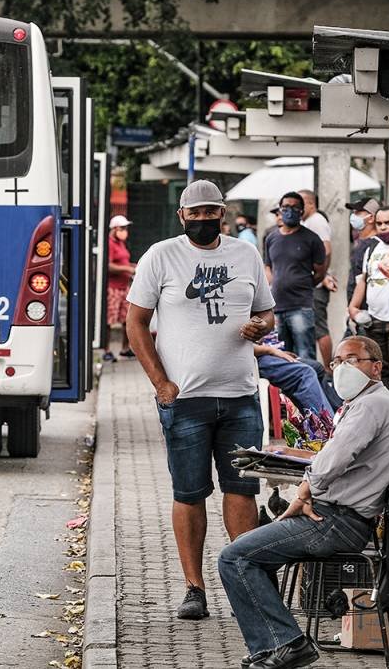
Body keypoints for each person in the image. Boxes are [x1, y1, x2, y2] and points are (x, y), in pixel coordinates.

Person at [126, 179, 276, 620]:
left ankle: (247, 585)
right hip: (185, 398)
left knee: (242, 490)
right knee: (189, 493)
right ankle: (194, 588)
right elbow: (136, 324)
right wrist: (161, 383)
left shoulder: (245, 253)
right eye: (196, 213)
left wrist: (262, 325)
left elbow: (267, 310)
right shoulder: (161, 256)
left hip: (240, 396)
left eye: (212, 212)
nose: (204, 220)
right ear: (182, 216)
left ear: (223, 214)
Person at [219, 336, 389, 669]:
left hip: (337, 521)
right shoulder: (364, 403)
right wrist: (307, 485)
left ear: (376, 367)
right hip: (334, 514)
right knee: (253, 555)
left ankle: (288, 643)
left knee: (234, 558)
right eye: (336, 361)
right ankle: (271, 646)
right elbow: (330, 463)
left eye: (352, 360)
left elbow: (330, 463)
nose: (342, 368)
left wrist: (307, 488)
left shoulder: (371, 405)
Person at [347, 205, 389, 411]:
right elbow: (364, 281)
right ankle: (387, 409)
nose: (384, 227)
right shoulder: (371, 248)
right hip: (373, 318)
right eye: (380, 223)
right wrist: (353, 307)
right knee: (379, 368)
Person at [263, 192, 328, 359]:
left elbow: (320, 271)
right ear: (280, 209)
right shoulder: (271, 238)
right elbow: (268, 268)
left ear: (301, 211)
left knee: (305, 354)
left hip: (301, 306)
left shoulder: (311, 239)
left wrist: (303, 285)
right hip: (276, 307)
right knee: (281, 355)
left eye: (294, 207)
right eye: (285, 207)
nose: (289, 211)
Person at [298, 189, 338, 371]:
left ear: (311, 204)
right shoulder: (306, 222)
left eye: (300, 204)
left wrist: (319, 277)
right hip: (309, 285)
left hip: (316, 285)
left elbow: (326, 250)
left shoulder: (317, 222)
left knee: (319, 327)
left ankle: (328, 368)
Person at [254, 340, 334, 416]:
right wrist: (271, 350)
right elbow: (244, 348)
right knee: (305, 373)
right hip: (254, 360)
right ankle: (328, 424)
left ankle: (335, 418)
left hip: (259, 352)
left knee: (317, 368)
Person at [104, 215, 137, 361]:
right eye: (122, 228)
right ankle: (106, 350)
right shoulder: (109, 244)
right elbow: (108, 265)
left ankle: (125, 348)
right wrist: (127, 269)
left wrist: (133, 266)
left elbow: (124, 261)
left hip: (125, 287)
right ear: (115, 229)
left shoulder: (121, 243)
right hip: (112, 288)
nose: (125, 231)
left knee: (128, 319)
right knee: (109, 321)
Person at [344, 198, 380, 307]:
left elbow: (364, 281)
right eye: (353, 212)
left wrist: (356, 307)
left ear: (371, 218)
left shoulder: (376, 245)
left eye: (358, 212)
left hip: (365, 308)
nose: (353, 216)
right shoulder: (361, 243)